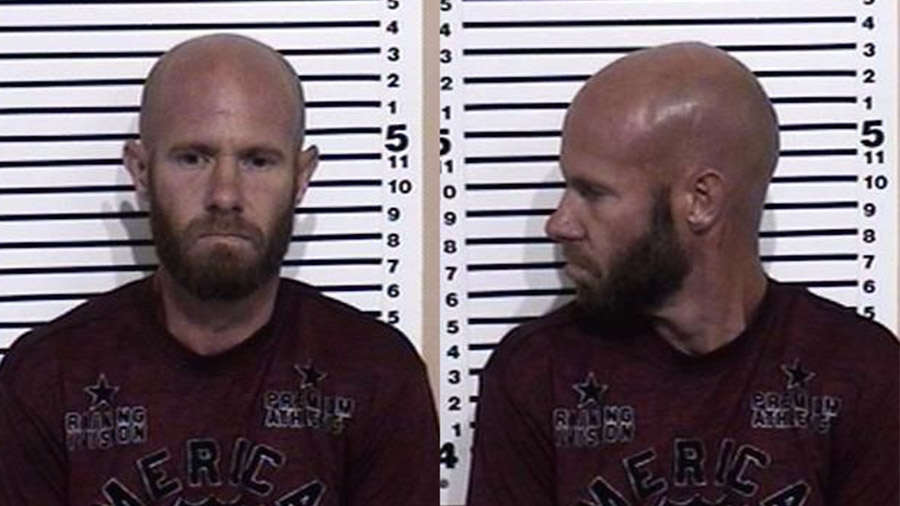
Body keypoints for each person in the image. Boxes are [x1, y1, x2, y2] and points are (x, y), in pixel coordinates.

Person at [0, 34, 437, 506]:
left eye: (257, 161)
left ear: (301, 176)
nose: (225, 195)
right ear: (141, 170)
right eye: (192, 158)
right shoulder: (48, 378)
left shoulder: (375, 375)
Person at [467, 42, 898, 506]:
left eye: (592, 192)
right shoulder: (538, 374)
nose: (559, 224)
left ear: (700, 201)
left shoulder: (858, 372)